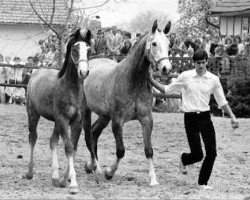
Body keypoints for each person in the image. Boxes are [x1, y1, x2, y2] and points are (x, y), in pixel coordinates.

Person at [149, 49, 239, 189]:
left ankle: (203, 182)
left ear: (207, 62)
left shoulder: (213, 79)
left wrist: (232, 117)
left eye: (203, 62)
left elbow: (222, 101)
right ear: (194, 63)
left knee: (212, 152)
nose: (201, 66)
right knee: (197, 155)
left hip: (205, 117)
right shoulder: (186, 76)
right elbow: (167, 90)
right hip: (190, 118)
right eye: (198, 63)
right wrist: (150, 80)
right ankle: (184, 158)